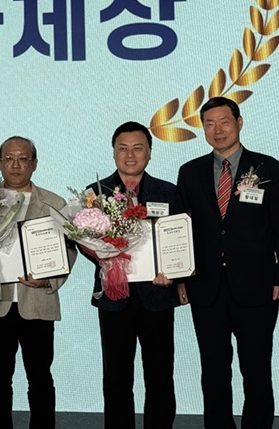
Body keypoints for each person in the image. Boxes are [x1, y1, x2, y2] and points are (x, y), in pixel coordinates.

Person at [177, 97, 279, 429]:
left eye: (224, 122)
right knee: (214, 371)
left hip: (258, 287)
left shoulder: (268, 169)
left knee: (257, 370)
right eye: (209, 124)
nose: (217, 130)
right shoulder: (189, 172)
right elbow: (182, 231)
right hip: (206, 288)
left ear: (239, 122)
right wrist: (180, 277)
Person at [0, 136, 75, 429]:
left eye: (23, 159)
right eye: (9, 159)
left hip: (36, 302)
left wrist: (49, 279)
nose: (15, 165)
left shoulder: (54, 203)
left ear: (34, 164)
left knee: (40, 377)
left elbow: (69, 251)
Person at [86, 122, 183, 429]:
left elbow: (181, 241)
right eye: (123, 148)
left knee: (160, 377)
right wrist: (104, 258)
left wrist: (175, 273)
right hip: (114, 297)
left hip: (157, 295)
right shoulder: (95, 194)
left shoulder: (169, 192)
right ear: (114, 152)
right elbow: (84, 242)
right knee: (116, 378)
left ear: (150, 153)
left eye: (138, 148)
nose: (130, 155)